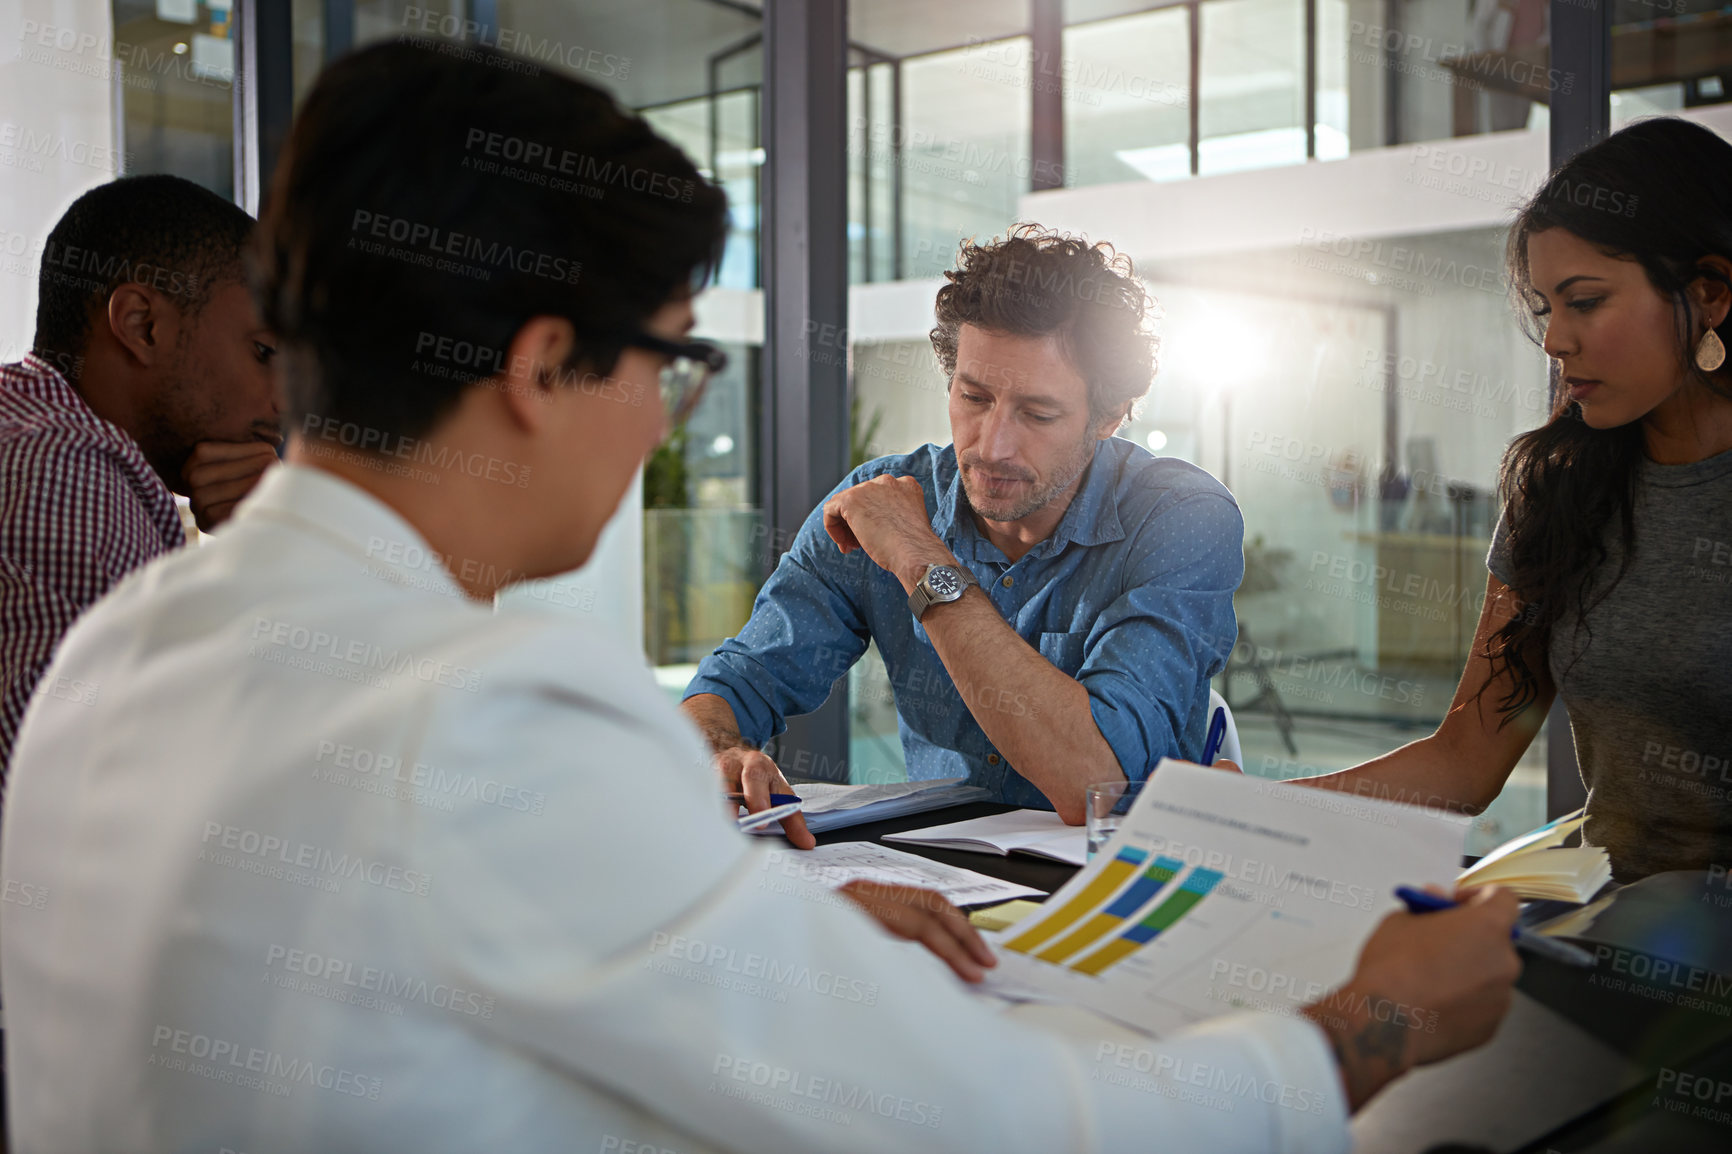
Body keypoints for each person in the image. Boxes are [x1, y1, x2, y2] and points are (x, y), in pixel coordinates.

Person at [0, 38, 1522, 1154]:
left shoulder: (125, 641)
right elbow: (1014, 1131)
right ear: (542, 369)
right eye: (671, 356)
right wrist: (1367, 1029)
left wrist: (744, 932)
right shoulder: (496, 715)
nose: (670, 417)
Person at [683, 225, 1243, 842]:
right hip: (946, 876)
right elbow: (739, 682)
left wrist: (924, 564)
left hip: (1124, 883)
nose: (991, 445)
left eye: (1038, 413)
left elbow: (1096, 781)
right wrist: (718, 751)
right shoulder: (881, 498)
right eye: (973, 397)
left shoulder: (1181, 517)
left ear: (1110, 414)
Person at [1292, 117, 1732, 882]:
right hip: (1608, 918)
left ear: (1709, 293)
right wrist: (1254, 816)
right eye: (1543, 309)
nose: (1555, 339)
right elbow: (1465, 759)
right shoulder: (1559, 491)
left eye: (1585, 302)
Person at [0, 174, 282, 773]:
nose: (284, 401)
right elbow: (82, 799)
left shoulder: (28, 424)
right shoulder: (67, 467)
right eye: (263, 353)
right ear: (140, 324)